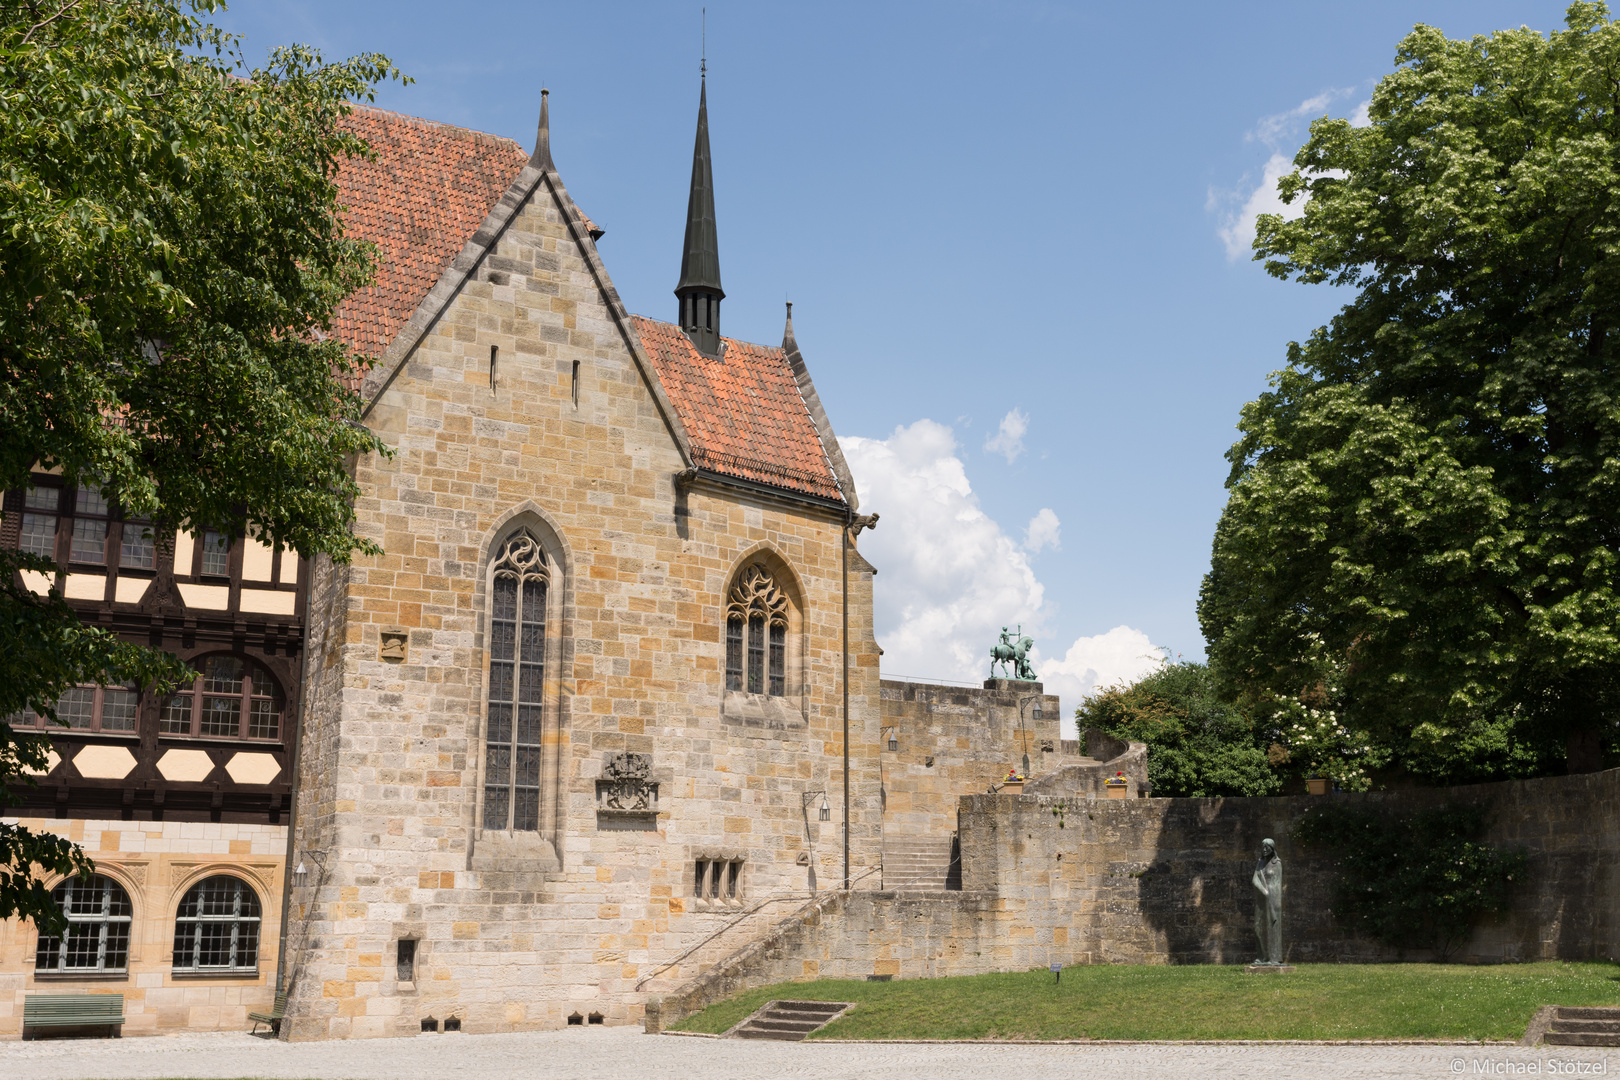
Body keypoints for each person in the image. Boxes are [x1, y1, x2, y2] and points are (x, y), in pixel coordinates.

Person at [1252, 838, 1283, 965]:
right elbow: (1255, 879)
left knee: (1272, 929)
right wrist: (1264, 892)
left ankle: (1273, 957)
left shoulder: (1277, 864)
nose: (1264, 850)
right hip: (1261, 899)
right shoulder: (1260, 862)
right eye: (1263, 847)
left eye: (1267, 847)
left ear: (1272, 848)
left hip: (1273, 900)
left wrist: (1272, 900)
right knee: (1258, 928)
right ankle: (1262, 957)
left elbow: (1278, 884)